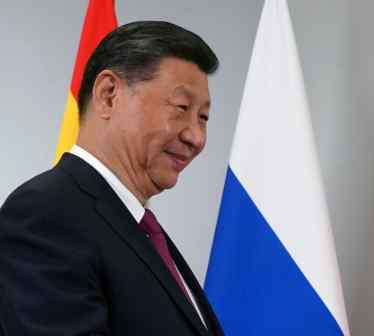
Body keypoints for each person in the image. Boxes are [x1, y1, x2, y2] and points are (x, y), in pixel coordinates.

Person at [0, 21, 223, 335]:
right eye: (182, 107)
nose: (196, 137)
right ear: (108, 95)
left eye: (203, 117)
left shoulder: (138, 230)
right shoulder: (45, 214)